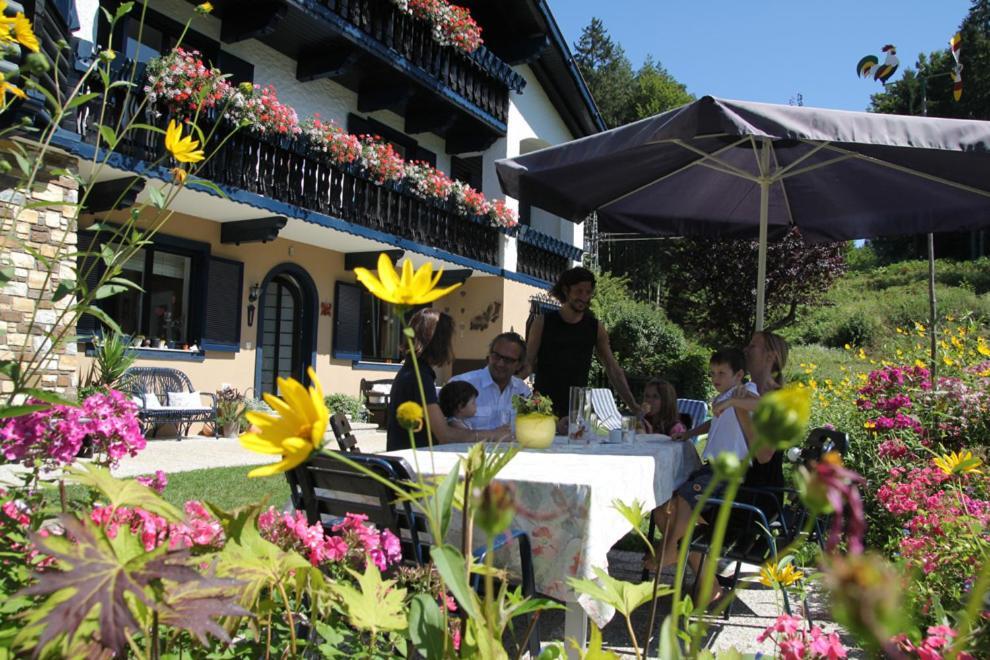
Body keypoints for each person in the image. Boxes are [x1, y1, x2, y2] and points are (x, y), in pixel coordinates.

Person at [645, 332, 790, 604]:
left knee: (683, 504)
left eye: (754, 345)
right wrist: (693, 432)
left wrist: (738, 407)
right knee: (666, 499)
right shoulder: (741, 391)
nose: (746, 348)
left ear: (770, 356)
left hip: (753, 497)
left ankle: (673, 551)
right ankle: (708, 582)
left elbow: (764, 455)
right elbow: (721, 421)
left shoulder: (773, 399)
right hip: (735, 486)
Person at [524, 267, 639, 424]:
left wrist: (633, 406)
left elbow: (613, 369)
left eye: (588, 292)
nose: (584, 297)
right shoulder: (542, 322)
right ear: (566, 290)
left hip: (576, 410)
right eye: (579, 291)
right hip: (542, 406)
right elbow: (527, 364)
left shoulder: (596, 328)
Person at [386, 310, 510, 451]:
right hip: (413, 465)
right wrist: (494, 434)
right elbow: (445, 435)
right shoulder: (419, 377)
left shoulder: (414, 371)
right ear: (439, 341)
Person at [673, 348, 757, 463]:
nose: (715, 378)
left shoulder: (744, 390)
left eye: (721, 373)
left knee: (696, 481)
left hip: (734, 463)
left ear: (739, 375)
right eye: (712, 373)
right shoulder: (721, 397)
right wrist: (689, 433)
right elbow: (715, 421)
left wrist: (731, 402)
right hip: (715, 462)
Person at [448, 332, 531, 430]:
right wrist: (492, 436)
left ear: (519, 365)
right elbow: (447, 431)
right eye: (496, 356)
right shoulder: (460, 384)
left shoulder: (522, 390)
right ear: (489, 355)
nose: (500, 364)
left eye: (508, 360)